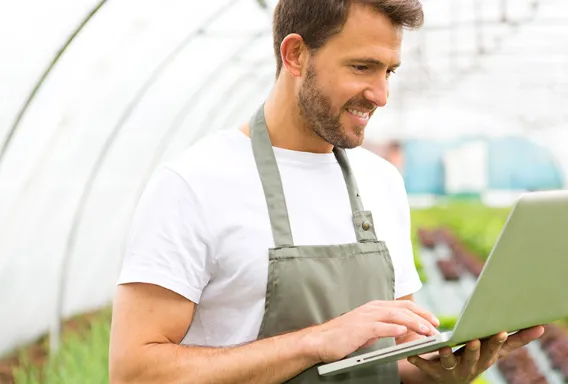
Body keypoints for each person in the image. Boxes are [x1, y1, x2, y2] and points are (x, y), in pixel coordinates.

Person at [108, 1, 544, 383]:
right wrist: (315, 342)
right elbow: (134, 373)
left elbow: (396, 357)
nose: (381, 94)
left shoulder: (382, 181)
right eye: (362, 67)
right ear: (295, 55)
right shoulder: (194, 184)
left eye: (388, 71)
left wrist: (446, 371)